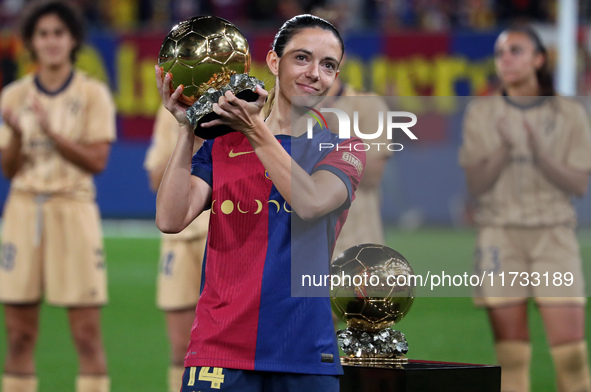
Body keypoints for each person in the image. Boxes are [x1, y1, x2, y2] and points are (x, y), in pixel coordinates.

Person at [155, 14, 365, 392]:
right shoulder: (222, 145)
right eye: (302, 58)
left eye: (328, 65)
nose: (315, 73)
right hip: (218, 348)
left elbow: (312, 202)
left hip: (305, 352)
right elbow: (171, 218)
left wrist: (253, 128)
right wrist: (188, 129)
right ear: (273, 62)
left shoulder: (342, 147)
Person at [460, 25, 591, 392]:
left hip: (554, 234)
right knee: (511, 358)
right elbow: (475, 185)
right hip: (499, 237)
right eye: (501, 53)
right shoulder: (480, 113)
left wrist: (539, 152)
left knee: (572, 355)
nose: (506, 59)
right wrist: (503, 149)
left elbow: (578, 184)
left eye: (516, 50)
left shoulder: (570, 113)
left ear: (538, 58)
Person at [0, 1, 116, 391]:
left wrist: (53, 133)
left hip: (73, 209)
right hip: (22, 211)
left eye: (58, 33)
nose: (51, 41)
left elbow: (97, 160)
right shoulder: (13, 96)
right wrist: (16, 137)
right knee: (17, 337)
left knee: (86, 335)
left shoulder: (93, 93)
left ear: (72, 40)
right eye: (43, 34)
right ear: (31, 42)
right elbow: (10, 169)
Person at [144, 105, 210, 392]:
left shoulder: (237, 102)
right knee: (180, 347)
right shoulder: (170, 110)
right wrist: (188, 135)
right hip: (178, 237)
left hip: (221, 231)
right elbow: (155, 180)